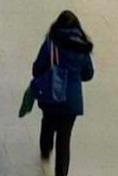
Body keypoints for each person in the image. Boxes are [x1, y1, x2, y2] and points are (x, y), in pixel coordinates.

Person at [29, 10, 95, 176]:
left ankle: (45, 156)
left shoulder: (51, 44)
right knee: (64, 140)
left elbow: (37, 69)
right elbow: (88, 74)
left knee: (47, 124)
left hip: (51, 96)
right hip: (71, 102)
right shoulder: (82, 47)